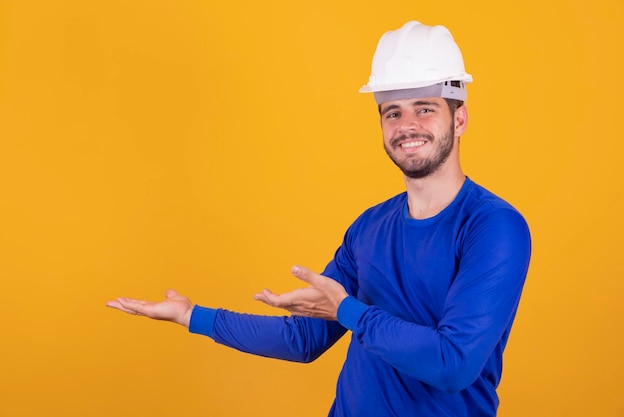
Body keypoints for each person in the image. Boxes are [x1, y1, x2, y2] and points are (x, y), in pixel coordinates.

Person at [106, 20, 532, 417]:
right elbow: (304, 339)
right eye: (393, 112)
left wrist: (348, 310)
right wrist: (191, 315)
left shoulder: (493, 227)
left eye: (425, 109)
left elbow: (452, 364)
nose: (407, 125)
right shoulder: (368, 228)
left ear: (459, 118)